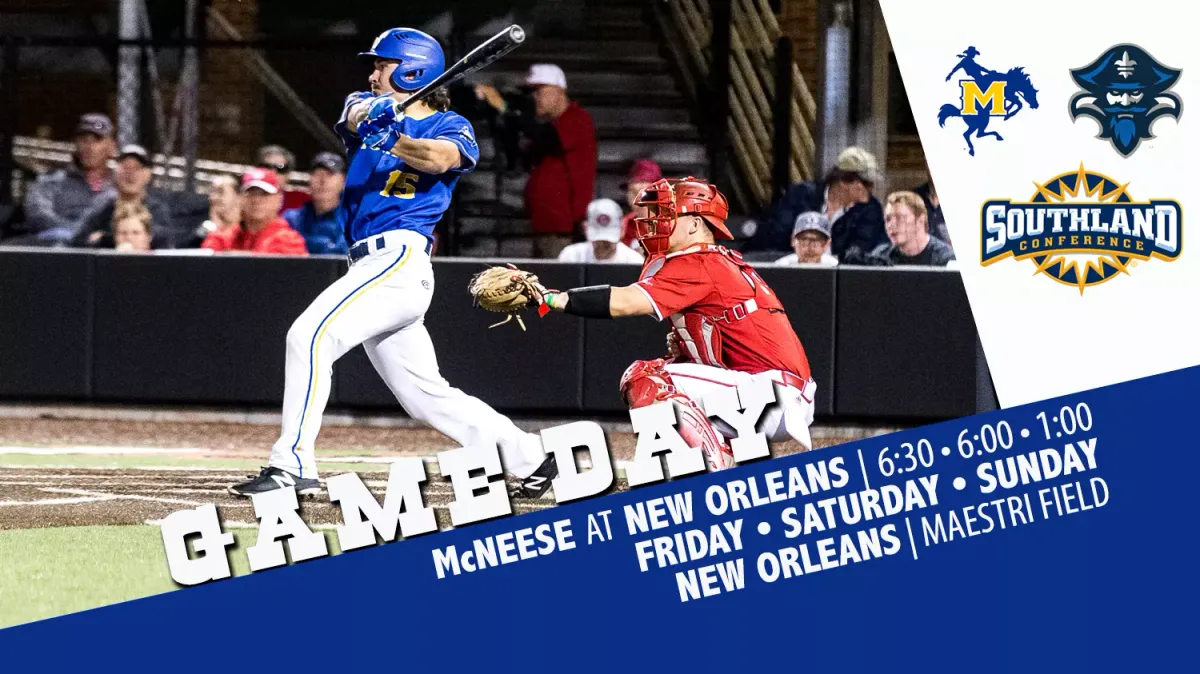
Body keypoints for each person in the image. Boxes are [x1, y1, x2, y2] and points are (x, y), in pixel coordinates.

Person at [228, 27, 553, 498]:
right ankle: (530, 457)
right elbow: (355, 114)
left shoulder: (451, 126)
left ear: (413, 70)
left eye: (383, 65)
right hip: (367, 265)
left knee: (309, 335)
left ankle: (292, 464)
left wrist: (396, 138)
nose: (374, 72)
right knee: (424, 396)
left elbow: (440, 160)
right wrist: (381, 119)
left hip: (398, 259)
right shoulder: (364, 103)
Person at [537, 177, 817, 473]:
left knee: (648, 379)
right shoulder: (714, 261)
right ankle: (728, 463)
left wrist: (551, 299)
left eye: (669, 214)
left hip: (773, 395)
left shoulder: (698, 262)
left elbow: (624, 302)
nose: (657, 222)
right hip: (773, 393)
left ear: (695, 223)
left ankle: (715, 465)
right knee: (673, 374)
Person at [476, 64, 597, 258]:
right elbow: (514, 163)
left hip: (565, 229)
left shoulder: (576, 118)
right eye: (530, 92)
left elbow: (545, 136)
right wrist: (500, 120)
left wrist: (505, 108)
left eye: (538, 90)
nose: (534, 97)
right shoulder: (549, 125)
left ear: (559, 90)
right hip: (544, 225)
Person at [745, 146, 887, 264]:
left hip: (840, 280)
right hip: (791, 271)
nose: (870, 189)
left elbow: (860, 253)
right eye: (867, 183)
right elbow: (773, 238)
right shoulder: (801, 195)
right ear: (844, 181)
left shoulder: (871, 210)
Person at [22, 113, 116, 245]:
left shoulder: (119, 185)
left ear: (111, 146)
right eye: (84, 140)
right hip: (60, 252)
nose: (89, 147)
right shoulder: (51, 182)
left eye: (97, 140)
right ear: (76, 144)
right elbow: (38, 216)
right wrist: (80, 234)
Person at [71, 145, 173, 249]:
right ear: (115, 172)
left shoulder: (157, 210)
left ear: (148, 174)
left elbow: (161, 240)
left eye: (137, 168)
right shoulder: (104, 207)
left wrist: (106, 238)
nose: (130, 174)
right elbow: (78, 240)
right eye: (125, 167)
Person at [201, 168, 309, 256]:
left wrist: (228, 256)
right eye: (251, 193)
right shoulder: (222, 237)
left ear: (279, 199)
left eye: (264, 194)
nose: (256, 200)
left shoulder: (290, 240)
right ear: (241, 198)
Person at [864, 191, 956, 267]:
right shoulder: (880, 257)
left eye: (900, 217)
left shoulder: (946, 259)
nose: (891, 225)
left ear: (920, 220)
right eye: (888, 219)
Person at [283, 152, 349, 255]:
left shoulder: (352, 221)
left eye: (330, 175)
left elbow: (341, 254)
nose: (322, 181)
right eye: (318, 174)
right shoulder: (291, 218)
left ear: (344, 182)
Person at [557, 198, 644, 264]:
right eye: (597, 239)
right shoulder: (571, 256)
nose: (603, 243)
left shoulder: (633, 261)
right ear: (585, 229)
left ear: (622, 230)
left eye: (609, 240)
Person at [619, 159, 662, 252]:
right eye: (634, 193)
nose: (639, 201)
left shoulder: (675, 225)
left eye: (646, 193)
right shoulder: (624, 226)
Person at [256, 144, 311, 212]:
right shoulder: (246, 199)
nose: (273, 172)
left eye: (280, 168)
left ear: (288, 175)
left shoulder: (302, 201)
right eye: (267, 167)